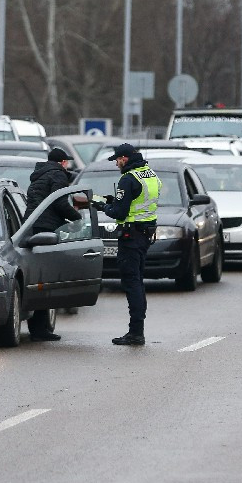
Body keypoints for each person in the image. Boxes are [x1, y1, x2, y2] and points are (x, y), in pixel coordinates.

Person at [93, 143, 161, 346]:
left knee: (132, 283)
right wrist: (113, 200)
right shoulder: (149, 174)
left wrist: (102, 206)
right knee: (138, 281)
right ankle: (137, 330)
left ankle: (136, 333)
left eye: (117, 160)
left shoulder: (127, 178)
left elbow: (120, 213)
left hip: (130, 237)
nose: (116, 164)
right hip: (145, 234)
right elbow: (137, 201)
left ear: (125, 158)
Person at [23, 147, 81, 342]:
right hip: (47, 230)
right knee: (44, 280)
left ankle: (39, 327)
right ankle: (40, 330)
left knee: (38, 279)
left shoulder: (39, 175)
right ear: (63, 162)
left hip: (32, 226)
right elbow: (58, 202)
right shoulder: (58, 175)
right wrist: (77, 217)